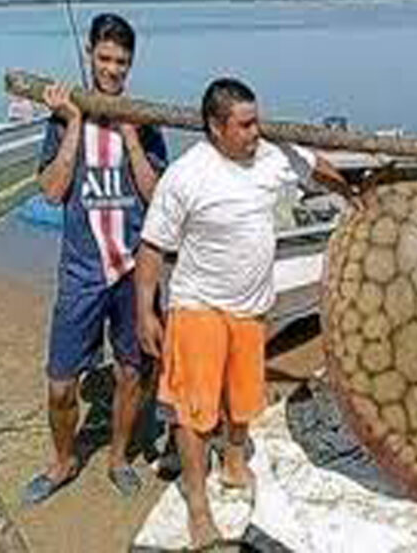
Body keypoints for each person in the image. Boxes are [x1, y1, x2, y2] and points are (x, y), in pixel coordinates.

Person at [135, 77, 354, 547]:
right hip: (198, 309)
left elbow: (317, 169)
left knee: (242, 401)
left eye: (257, 120)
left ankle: (234, 463)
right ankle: (197, 506)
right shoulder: (187, 175)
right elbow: (152, 247)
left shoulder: (273, 156)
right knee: (192, 416)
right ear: (216, 128)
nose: (258, 131)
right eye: (246, 124)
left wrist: (356, 196)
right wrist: (145, 312)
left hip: (252, 309)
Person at [22, 13, 168, 505]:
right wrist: (75, 123)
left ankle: (119, 456)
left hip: (133, 272)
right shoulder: (64, 116)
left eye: (121, 62)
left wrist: (129, 135)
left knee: (133, 372)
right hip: (82, 271)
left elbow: (157, 197)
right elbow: (52, 191)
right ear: (89, 55)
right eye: (104, 59)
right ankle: (63, 461)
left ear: (131, 64)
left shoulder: (143, 123)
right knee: (61, 383)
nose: (112, 70)